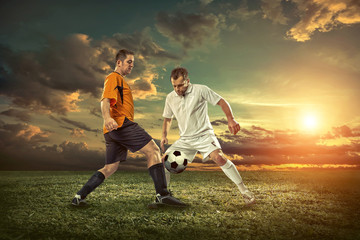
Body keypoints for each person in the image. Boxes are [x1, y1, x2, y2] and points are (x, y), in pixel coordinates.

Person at [72, 49, 186, 207]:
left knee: (110, 167)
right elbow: (105, 100)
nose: (132, 65)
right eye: (129, 62)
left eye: (133, 62)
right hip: (120, 124)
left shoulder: (121, 81)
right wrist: (107, 118)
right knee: (153, 150)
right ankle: (163, 195)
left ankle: (79, 197)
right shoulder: (114, 78)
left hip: (112, 130)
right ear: (119, 62)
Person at [161, 67, 255, 205]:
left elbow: (222, 101)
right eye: (174, 86)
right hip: (186, 139)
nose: (177, 89)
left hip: (204, 135)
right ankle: (165, 195)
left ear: (187, 81)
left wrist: (231, 119)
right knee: (163, 161)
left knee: (219, 158)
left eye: (180, 85)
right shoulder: (170, 98)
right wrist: (164, 135)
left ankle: (245, 192)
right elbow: (167, 118)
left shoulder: (201, 90)